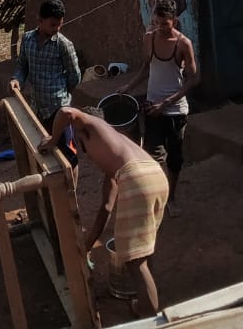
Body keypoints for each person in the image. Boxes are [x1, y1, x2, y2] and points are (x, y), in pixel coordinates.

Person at [40, 106, 168, 318]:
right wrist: (87, 246)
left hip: (136, 179)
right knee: (144, 249)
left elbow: (65, 112)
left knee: (135, 262)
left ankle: (149, 317)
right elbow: (106, 208)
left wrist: (53, 140)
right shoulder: (114, 149)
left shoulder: (91, 124)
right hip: (155, 176)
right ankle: (146, 299)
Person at [119, 0, 198, 215]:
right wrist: (128, 86)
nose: (159, 28)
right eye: (156, 23)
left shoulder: (184, 44)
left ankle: (171, 199)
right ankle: (155, 198)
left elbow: (193, 80)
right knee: (152, 157)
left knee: (175, 158)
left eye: (164, 24)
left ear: (175, 21)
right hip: (152, 108)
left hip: (175, 111)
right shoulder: (149, 38)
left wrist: (166, 103)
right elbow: (146, 67)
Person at [10, 0, 82, 131]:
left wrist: (61, 92)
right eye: (53, 25)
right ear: (40, 21)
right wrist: (17, 79)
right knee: (39, 142)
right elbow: (22, 65)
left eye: (60, 24)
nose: (57, 28)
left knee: (61, 147)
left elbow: (74, 76)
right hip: (36, 107)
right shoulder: (27, 39)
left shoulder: (63, 45)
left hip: (58, 108)